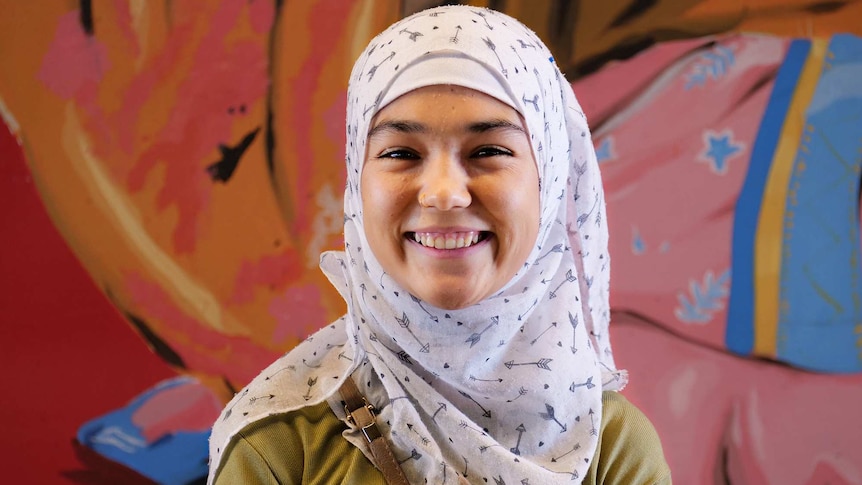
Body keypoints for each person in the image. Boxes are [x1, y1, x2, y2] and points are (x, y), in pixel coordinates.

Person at [208, 5, 671, 484]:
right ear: (357, 184)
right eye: (401, 153)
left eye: (489, 151)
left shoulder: (610, 447)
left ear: (549, 182)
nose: (444, 192)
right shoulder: (281, 448)